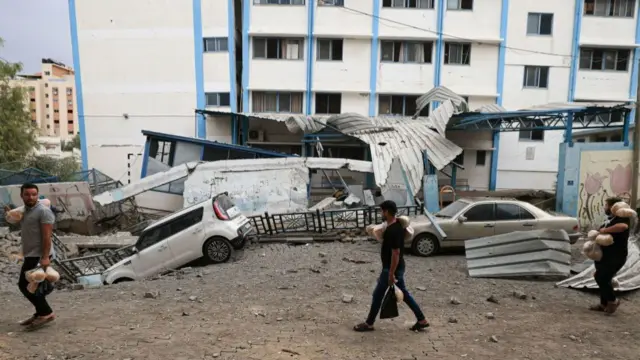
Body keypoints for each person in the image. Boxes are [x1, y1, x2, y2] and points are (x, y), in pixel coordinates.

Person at [354, 200, 430, 332]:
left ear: (387, 212)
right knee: (403, 294)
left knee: (378, 295)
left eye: (382, 211)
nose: (381, 213)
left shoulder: (393, 230)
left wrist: (390, 274)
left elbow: (395, 253)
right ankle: (421, 320)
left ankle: (369, 323)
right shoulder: (396, 226)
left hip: (391, 268)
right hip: (397, 266)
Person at [3, 183, 57, 330]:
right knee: (33, 285)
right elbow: (19, 222)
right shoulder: (25, 211)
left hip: (39, 255)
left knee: (25, 284)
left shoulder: (43, 211)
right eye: (27, 194)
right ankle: (41, 312)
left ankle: (46, 313)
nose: (31, 197)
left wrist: (45, 257)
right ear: (22, 196)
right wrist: (9, 214)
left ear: (38, 195)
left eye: (34, 194)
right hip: (30, 253)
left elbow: (47, 236)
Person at [590, 197, 630, 314]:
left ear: (614, 207)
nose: (605, 207)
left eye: (606, 205)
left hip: (615, 257)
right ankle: (604, 304)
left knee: (601, 278)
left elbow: (622, 227)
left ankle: (612, 301)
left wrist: (604, 230)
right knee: (602, 277)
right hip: (605, 256)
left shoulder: (622, 218)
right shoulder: (612, 219)